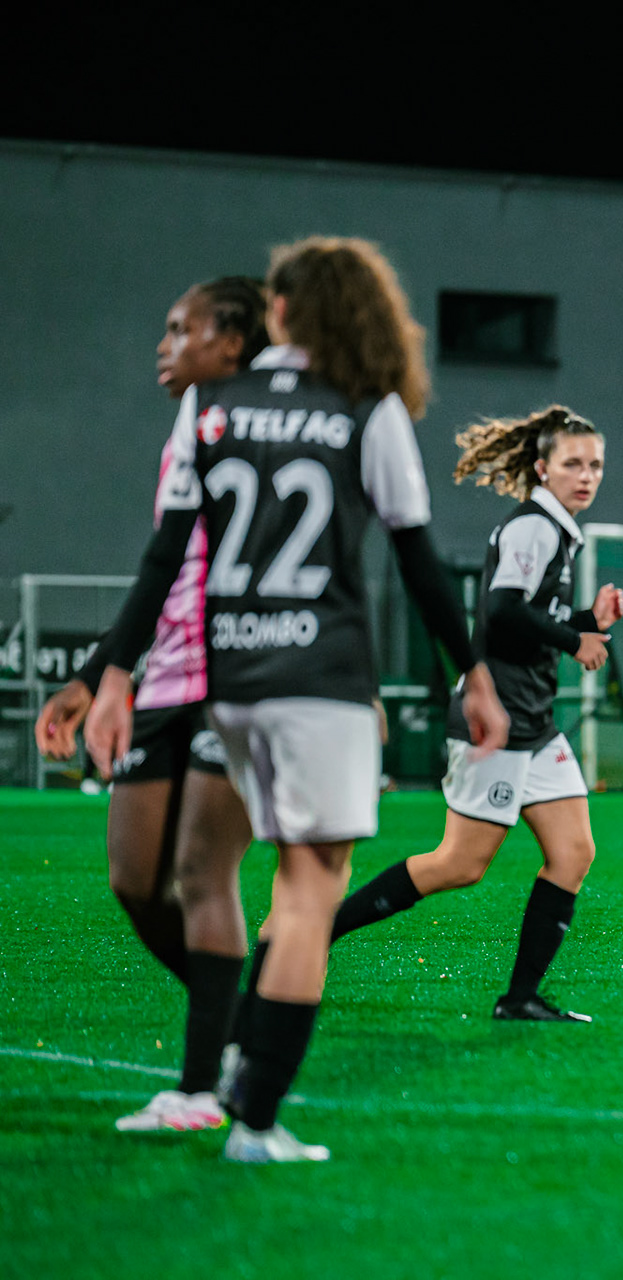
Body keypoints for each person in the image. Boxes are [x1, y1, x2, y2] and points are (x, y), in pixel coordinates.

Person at [84, 236, 509, 1162]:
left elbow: (167, 554)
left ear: (278, 313)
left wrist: (113, 674)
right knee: (308, 891)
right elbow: (418, 560)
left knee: (214, 877)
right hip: (320, 682)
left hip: (227, 682)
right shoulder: (370, 406)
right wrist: (467, 671)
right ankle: (257, 1120)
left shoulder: (209, 405)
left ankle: (216, 1074)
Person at [36, 277, 268, 1134]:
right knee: (135, 882)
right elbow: (164, 560)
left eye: (184, 329)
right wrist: (103, 673)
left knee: (204, 874)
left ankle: (203, 1088)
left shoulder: (261, 418)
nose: (165, 344)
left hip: (240, 673)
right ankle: (242, 1024)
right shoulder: (192, 417)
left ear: (235, 340)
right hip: (164, 678)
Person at [329, 406, 622, 1023]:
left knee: (573, 852)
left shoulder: (558, 528)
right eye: (574, 463)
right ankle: (315, 928)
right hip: (499, 721)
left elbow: (529, 616)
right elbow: (500, 612)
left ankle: (520, 999)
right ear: (542, 468)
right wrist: (577, 641)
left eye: (595, 464)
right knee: (459, 865)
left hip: (534, 723)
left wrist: (588, 621)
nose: (587, 474)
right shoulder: (534, 528)